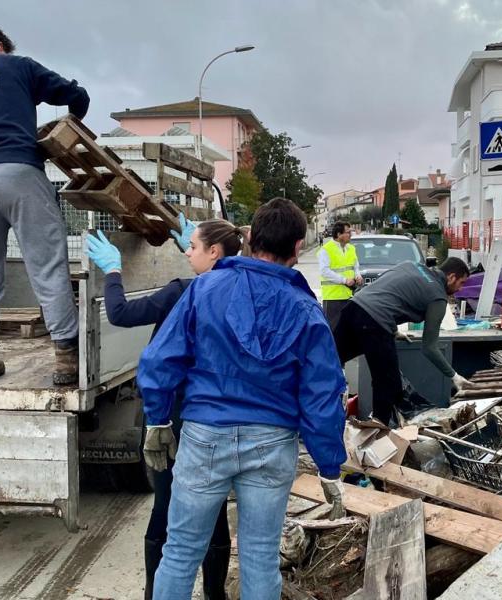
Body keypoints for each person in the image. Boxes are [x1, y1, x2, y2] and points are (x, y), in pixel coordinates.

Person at [137, 198, 347, 600]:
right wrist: (329, 465)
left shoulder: (206, 288)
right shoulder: (305, 308)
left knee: (180, 552)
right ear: (298, 246)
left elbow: (161, 358)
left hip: (204, 437)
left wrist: (158, 419)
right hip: (271, 444)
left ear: (251, 238)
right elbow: (322, 394)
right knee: (261, 557)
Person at [85, 214, 246, 600]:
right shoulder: (242, 290)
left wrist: (113, 270)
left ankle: (154, 593)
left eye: (192, 247)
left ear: (213, 251)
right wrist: (197, 246)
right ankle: (214, 594)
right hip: (216, 414)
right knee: (215, 509)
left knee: (166, 505)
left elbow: (120, 314)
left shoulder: (179, 292)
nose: (186, 252)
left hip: (172, 415)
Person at [0, 24, 90, 385]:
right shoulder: (16, 65)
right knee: (46, 262)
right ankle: (66, 357)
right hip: (19, 169)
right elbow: (72, 94)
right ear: (0, 47)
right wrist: (74, 117)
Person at [332, 257, 472, 425]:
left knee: (328, 362)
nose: (460, 288)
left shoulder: (411, 265)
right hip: (375, 322)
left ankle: (308, 415)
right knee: (388, 384)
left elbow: (386, 293)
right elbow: (429, 347)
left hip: (353, 307)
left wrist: (394, 330)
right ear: (451, 277)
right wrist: (454, 376)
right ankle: (378, 433)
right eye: (461, 283)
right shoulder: (438, 297)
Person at [318, 221, 360, 327]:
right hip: (333, 297)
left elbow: (355, 266)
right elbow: (324, 271)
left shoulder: (351, 248)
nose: (350, 234)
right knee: (334, 329)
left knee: (348, 329)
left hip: (350, 295)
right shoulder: (326, 250)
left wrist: (358, 275)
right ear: (338, 234)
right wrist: (344, 280)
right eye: (347, 232)